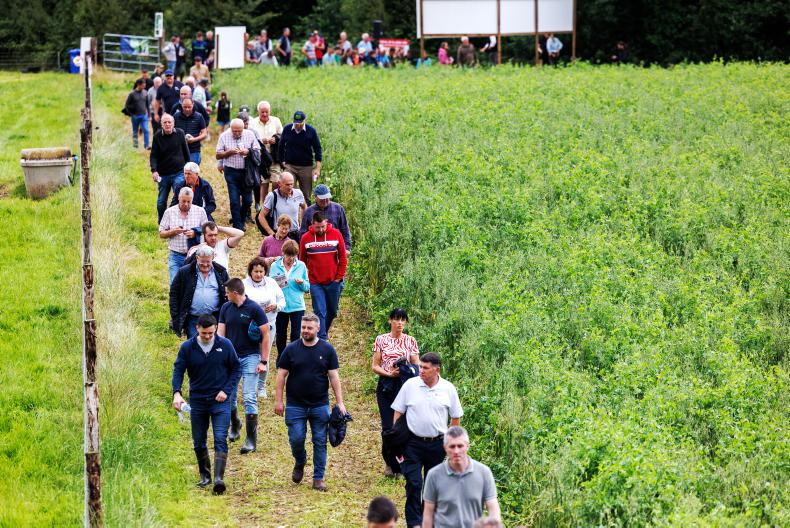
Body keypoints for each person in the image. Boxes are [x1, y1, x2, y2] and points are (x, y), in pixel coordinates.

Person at [274, 313, 346, 492]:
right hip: (295, 405)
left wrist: (340, 402)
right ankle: (300, 461)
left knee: (320, 441)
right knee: (296, 439)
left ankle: (318, 478)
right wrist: (278, 401)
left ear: (318, 329)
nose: (305, 331)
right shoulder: (291, 349)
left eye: (309, 328)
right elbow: (281, 375)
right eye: (303, 327)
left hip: (319, 405)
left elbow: (334, 377)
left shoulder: (327, 350)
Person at [391, 352, 463, 528]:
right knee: (414, 483)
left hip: (437, 445)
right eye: (420, 366)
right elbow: (398, 411)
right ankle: (413, 523)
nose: (421, 370)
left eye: (425, 368)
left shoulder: (448, 389)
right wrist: (397, 435)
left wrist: (450, 443)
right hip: (412, 443)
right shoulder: (410, 385)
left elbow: (455, 417)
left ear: (437, 370)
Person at [171, 313, 240, 495]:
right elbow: (178, 370)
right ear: (197, 329)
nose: (208, 336)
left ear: (216, 328)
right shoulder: (187, 347)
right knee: (199, 441)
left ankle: (218, 479)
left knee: (220, 438)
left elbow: (236, 369)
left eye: (211, 333)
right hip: (198, 400)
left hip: (220, 401)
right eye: (204, 333)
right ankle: (205, 475)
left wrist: (226, 390)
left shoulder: (225, 345)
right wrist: (177, 393)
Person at [218, 278, 270, 454]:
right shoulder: (225, 308)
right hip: (231, 358)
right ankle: (235, 424)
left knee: (249, 397)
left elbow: (266, 335)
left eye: (227, 292)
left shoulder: (254, 309)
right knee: (229, 396)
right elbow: (221, 333)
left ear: (235, 293)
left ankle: (251, 439)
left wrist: (263, 361)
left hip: (250, 356)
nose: (225, 295)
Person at [422, 426, 501, 528]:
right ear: (445, 448)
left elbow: (493, 508)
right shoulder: (434, 475)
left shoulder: (483, 472)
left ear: (467, 446)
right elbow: (428, 514)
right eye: (452, 446)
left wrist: (494, 523)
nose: (456, 451)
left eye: (460, 446)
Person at [372, 308, 420, 477]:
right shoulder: (381, 339)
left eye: (402, 320)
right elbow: (375, 366)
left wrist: (406, 369)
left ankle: (400, 464)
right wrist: (388, 373)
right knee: (388, 426)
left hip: (404, 386)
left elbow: (417, 366)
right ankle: (389, 463)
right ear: (390, 321)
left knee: (402, 426)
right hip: (386, 385)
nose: (399, 323)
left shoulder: (410, 341)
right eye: (396, 319)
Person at [299, 212, 347, 340]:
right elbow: (302, 261)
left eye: (322, 227)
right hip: (315, 282)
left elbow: (343, 257)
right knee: (320, 311)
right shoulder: (305, 238)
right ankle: (322, 340)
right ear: (312, 225)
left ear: (326, 223)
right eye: (317, 227)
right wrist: (305, 279)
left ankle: (322, 331)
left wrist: (338, 277)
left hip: (333, 281)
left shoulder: (336, 234)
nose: (320, 230)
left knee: (332, 311)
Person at [243, 257, 285, 398]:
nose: (259, 274)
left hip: (268, 324)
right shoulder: (244, 284)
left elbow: (282, 300)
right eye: (256, 271)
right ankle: (250, 385)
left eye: (261, 271)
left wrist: (276, 306)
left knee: (264, 355)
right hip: (249, 325)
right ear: (250, 271)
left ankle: (261, 387)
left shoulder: (271, 283)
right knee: (250, 356)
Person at [169, 245, 229, 338]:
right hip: (193, 319)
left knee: (214, 344)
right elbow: (174, 294)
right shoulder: (185, 272)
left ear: (213, 258)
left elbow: (228, 293)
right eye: (202, 262)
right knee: (195, 345)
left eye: (208, 262)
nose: (205, 265)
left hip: (215, 318)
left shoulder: (221, 271)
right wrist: (175, 316)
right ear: (197, 258)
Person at [216, 118, 261, 230]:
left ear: (243, 128)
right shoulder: (224, 136)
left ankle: (240, 218)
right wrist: (229, 152)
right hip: (231, 172)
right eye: (234, 131)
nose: (237, 133)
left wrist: (248, 151)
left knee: (248, 200)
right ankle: (238, 225)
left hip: (246, 172)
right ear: (230, 128)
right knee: (234, 200)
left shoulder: (250, 134)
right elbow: (218, 155)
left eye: (239, 131)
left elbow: (258, 150)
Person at [159, 187, 209, 283]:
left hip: (195, 257)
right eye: (183, 201)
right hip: (175, 256)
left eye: (189, 202)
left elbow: (206, 230)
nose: (186, 204)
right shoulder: (169, 212)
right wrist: (172, 232)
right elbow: (161, 233)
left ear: (192, 200)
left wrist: (195, 233)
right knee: (174, 284)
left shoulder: (200, 211)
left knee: (191, 285)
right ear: (178, 198)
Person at [268, 240, 309, 356]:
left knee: (296, 335)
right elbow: (270, 285)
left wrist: (302, 283)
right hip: (281, 305)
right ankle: (281, 358)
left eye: (293, 255)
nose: (290, 258)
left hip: (297, 306)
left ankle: (295, 358)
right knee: (281, 334)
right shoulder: (275, 266)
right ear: (283, 252)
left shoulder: (301, 266)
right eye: (288, 255)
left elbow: (307, 287)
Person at [150, 113, 190, 222]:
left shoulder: (180, 133)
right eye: (165, 122)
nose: (167, 124)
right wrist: (154, 170)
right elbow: (153, 155)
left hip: (179, 172)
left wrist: (188, 169)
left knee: (178, 196)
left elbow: (186, 152)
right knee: (161, 202)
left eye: (169, 122)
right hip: (163, 174)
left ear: (173, 123)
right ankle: (162, 223)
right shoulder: (157, 136)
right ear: (161, 124)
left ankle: (177, 221)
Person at [278, 111, 322, 201]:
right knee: (289, 191)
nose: (298, 125)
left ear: (304, 121)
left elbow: (318, 149)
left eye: (300, 123)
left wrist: (317, 168)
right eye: (296, 123)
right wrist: (282, 161)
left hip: (306, 167)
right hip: (290, 166)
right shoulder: (287, 129)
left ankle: (306, 209)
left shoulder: (311, 131)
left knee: (306, 195)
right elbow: (281, 146)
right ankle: (290, 209)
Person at [299, 184, 351, 251]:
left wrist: (347, 247)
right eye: (322, 198)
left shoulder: (338, 209)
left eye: (327, 198)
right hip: (315, 249)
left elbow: (345, 229)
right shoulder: (309, 211)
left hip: (335, 247)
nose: (325, 200)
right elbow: (303, 233)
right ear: (315, 197)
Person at [249, 100, 284, 196]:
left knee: (276, 181)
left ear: (270, 111)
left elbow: (282, 135)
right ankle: (264, 204)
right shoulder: (252, 123)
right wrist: (260, 141)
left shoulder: (276, 120)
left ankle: (274, 201)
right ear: (258, 112)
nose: (264, 114)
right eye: (262, 112)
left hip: (274, 156)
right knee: (264, 182)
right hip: (260, 157)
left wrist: (276, 139)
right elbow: (249, 139)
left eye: (266, 112)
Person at [258, 172, 306, 239]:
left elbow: (304, 208)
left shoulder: (298, 193)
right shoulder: (272, 196)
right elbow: (261, 216)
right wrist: (271, 233)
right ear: (279, 183)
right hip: (280, 235)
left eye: (292, 184)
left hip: (295, 234)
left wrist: (302, 225)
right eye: (287, 185)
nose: (290, 187)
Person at [173, 98, 207, 165]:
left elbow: (204, 133)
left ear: (193, 104)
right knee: (180, 170)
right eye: (185, 107)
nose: (187, 109)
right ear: (181, 105)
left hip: (194, 150)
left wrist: (194, 139)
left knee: (192, 170)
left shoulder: (199, 116)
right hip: (179, 150)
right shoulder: (176, 116)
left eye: (189, 107)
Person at [125, 79, 150, 149]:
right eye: (143, 85)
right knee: (135, 131)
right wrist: (131, 114)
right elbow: (127, 105)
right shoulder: (132, 94)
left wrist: (149, 114)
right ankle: (135, 145)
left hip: (144, 115)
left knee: (146, 130)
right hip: (135, 116)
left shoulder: (145, 93)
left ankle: (147, 145)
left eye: (145, 84)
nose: (144, 86)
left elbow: (147, 104)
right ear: (138, 85)